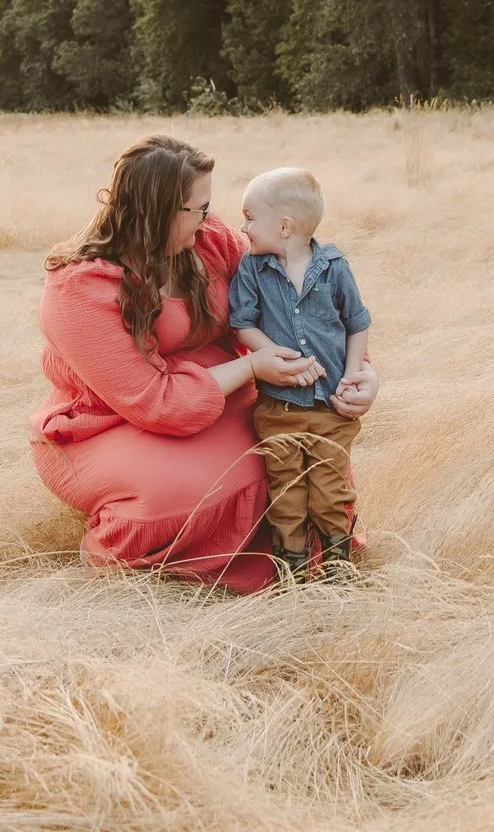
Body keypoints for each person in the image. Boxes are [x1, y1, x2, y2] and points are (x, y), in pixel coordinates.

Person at [31, 135, 375, 592]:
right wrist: (252, 369)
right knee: (182, 494)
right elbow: (156, 403)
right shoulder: (78, 290)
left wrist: (361, 373)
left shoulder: (209, 242)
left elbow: (306, 308)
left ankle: (305, 559)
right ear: (160, 213)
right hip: (111, 419)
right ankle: (116, 553)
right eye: (200, 208)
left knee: (300, 444)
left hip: (218, 394)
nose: (211, 219)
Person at [227, 167, 373, 581]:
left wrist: (352, 375)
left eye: (250, 217)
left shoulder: (333, 266)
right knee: (287, 493)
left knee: (330, 491)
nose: (243, 227)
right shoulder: (253, 269)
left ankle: (338, 568)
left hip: (331, 409)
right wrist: (273, 356)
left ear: (285, 226)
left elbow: (356, 322)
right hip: (279, 408)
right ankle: (290, 570)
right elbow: (242, 323)